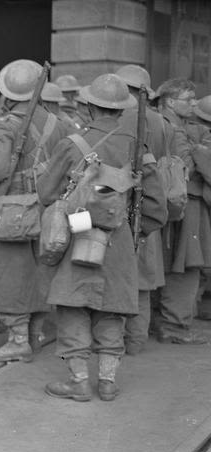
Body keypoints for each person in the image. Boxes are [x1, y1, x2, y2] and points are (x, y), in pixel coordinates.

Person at [38, 74, 168, 401]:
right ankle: (108, 382)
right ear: (121, 109)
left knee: (72, 305)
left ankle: (79, 381)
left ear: (90, 108)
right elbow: (156, 206)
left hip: (78, 229)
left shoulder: (72, 143)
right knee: (113, 308)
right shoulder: (139, 148)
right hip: (119, 237)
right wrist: (131, 231)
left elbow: (47, 193)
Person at [0, 59, 71, 362]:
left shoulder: (7, 123)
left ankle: (18, 339)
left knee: (9, 272)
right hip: (47, 206)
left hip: (13, 208)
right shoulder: (58, 123)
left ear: (7, 93)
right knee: (39, 270)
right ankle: (36, 333)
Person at [115, 65, 172, 354]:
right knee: (143, 276)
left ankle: (114, 340)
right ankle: (136, 340)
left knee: (116, 272)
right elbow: (160, 158)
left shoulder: (114, 115)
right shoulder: (159, 121)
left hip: (117, 199)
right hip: (148, 199)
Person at [153, 77, 211, 344]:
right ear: (171, 102)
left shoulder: (163, 124)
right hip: (185, 202)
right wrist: (201, 152)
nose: (194, 103)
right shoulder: (175, 130)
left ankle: (161, 322)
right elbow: (190, 171)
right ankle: (175, 326)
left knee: (166, 261)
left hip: (164, 203)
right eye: (188, 99)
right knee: (186, 263)